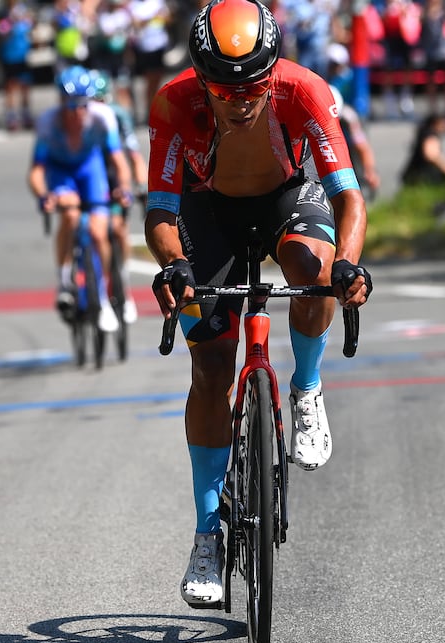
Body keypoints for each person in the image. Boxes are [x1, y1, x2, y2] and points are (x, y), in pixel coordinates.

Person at [145, 0, 371, 608]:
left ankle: (307, 388)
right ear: (200, 77)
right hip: (206, 212)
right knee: (212, 366)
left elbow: (350, 198)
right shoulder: (173, 102)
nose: (242, 99)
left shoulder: (306, 91)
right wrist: (174, 265)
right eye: (225, 88)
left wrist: (348, 263)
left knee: (312, 268)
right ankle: (206, 536)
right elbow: (162, 212)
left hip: (286, 197)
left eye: (255, 86)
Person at [27, 65, 132, 335]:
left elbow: (118, 160)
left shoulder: (102, 117)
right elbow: (37, 170)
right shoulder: (48, 123)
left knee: (99, 231)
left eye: (82, 105)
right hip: (61, 172)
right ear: (61, 102)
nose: (77, 113)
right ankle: (64, 281)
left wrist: (123, 187)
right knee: (71, 216)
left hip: (89, 168)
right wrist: (44, 196)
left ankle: (106, 292)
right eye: (71, 106)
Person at [90, 69, 146, 324]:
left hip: (113, 178)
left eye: (100, 101)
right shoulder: (78, 118)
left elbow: (133, 155)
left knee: (118, 228)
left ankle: (122, 282)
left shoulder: (118, 116)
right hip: (90, 180)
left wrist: (142, 186)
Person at [0, 0, 35, 131]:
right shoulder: (2, 12)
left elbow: (30, 26)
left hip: (23, 54)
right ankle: (11, 116)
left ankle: (25, 114)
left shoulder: (23, 10)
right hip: (9, 56)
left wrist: (25, 20)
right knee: (10, 87)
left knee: (25, 85)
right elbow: (0, 31)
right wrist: (10, 22)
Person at [400, 112, 445, 186]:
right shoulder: (430, 135)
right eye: (444, 123)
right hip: (422, 177)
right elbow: (431, 155)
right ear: (436, 123)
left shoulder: (425, 133)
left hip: (413, 175)